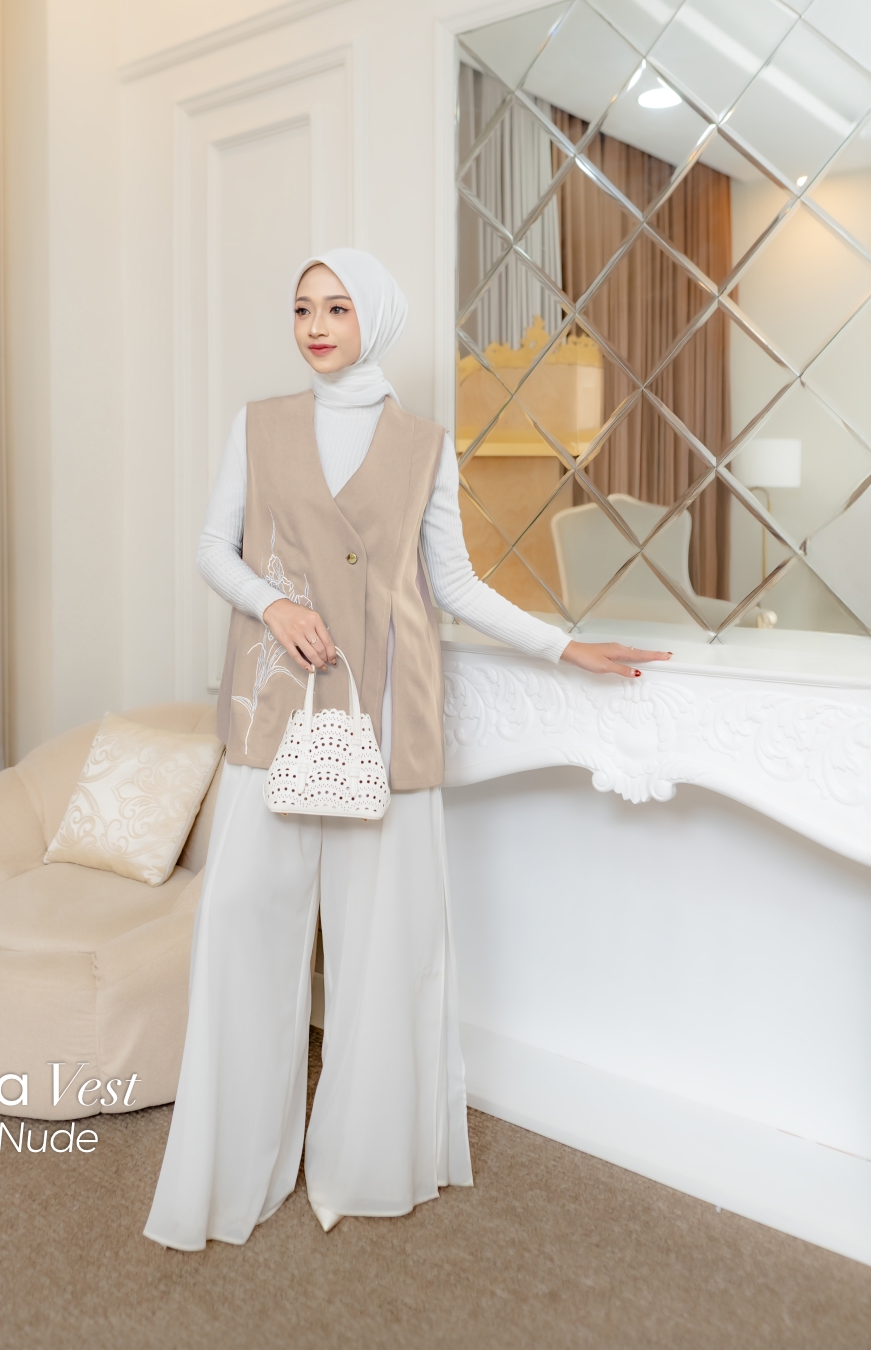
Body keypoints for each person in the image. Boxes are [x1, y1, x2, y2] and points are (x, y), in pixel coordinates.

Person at [144, 248, 668, 1250]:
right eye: (303, 307)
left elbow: (455, 586)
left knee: (383, 951)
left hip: (386, 722)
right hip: (276, 708)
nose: (315, 325)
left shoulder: (425, 444)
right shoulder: (259, 425)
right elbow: (214, 546)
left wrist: (566, 648)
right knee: (243, 931)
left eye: (337, 307)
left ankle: (361, 1163)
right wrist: (274, 604)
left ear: (373, 318)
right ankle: (235, 1170)